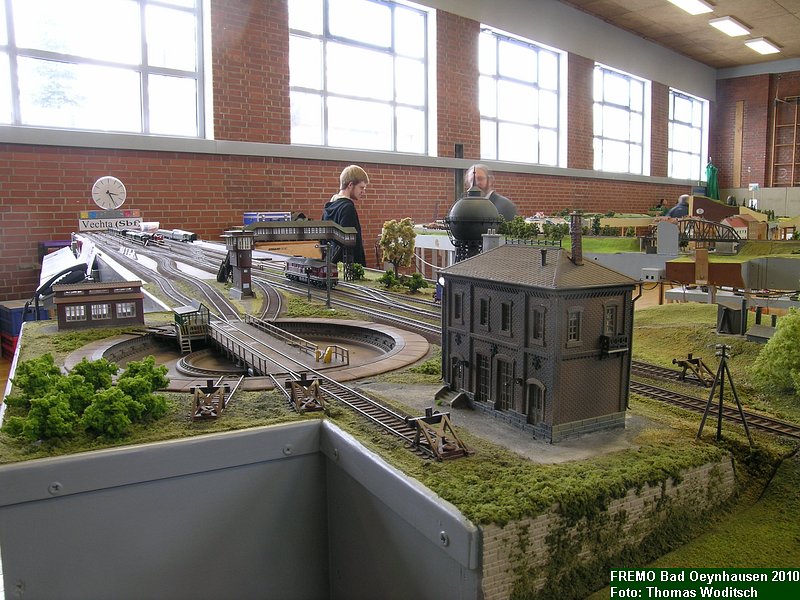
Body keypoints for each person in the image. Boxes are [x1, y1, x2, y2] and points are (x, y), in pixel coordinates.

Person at [322, 165, 368, 266]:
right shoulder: (347, 208)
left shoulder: (328, 208)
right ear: (350, 185)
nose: (363, 192)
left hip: (330, 266)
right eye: (361, 187)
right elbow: (351, 245)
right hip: (347, 268)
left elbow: (323, 242)